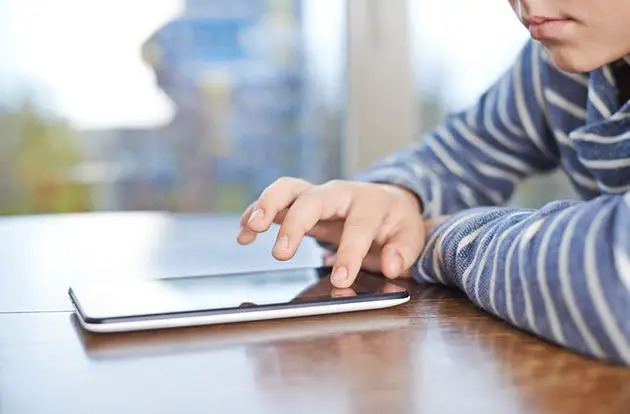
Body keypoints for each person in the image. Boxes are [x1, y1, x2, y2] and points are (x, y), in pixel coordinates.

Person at [236, 0, 630, 365]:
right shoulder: (564, 63)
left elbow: (615, 274)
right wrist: (394, 198)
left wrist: (434, 240)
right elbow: (465, 152)